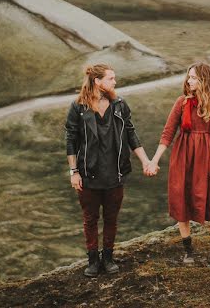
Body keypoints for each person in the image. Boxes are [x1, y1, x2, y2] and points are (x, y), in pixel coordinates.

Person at [65, 63, 152, 277]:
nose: (115, 82)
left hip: (116, 173)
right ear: (98, 81)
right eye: (111, 78)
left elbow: (131, 135)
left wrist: (145, 161)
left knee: (111, 218)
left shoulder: (120, 105)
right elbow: (71, 140)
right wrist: (74, 172)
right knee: (90, 219)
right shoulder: (78, 107)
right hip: (88, 175)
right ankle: (93, 261)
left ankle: (109, 257)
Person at [146, 62, 210, 267]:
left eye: (193, 78)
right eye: (188, 77)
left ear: (204, 81)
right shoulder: (182, 103)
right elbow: (167, 134)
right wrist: (154, 160)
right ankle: (188, 251)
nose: (188, 81)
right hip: (183, 158)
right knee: (181, 199)